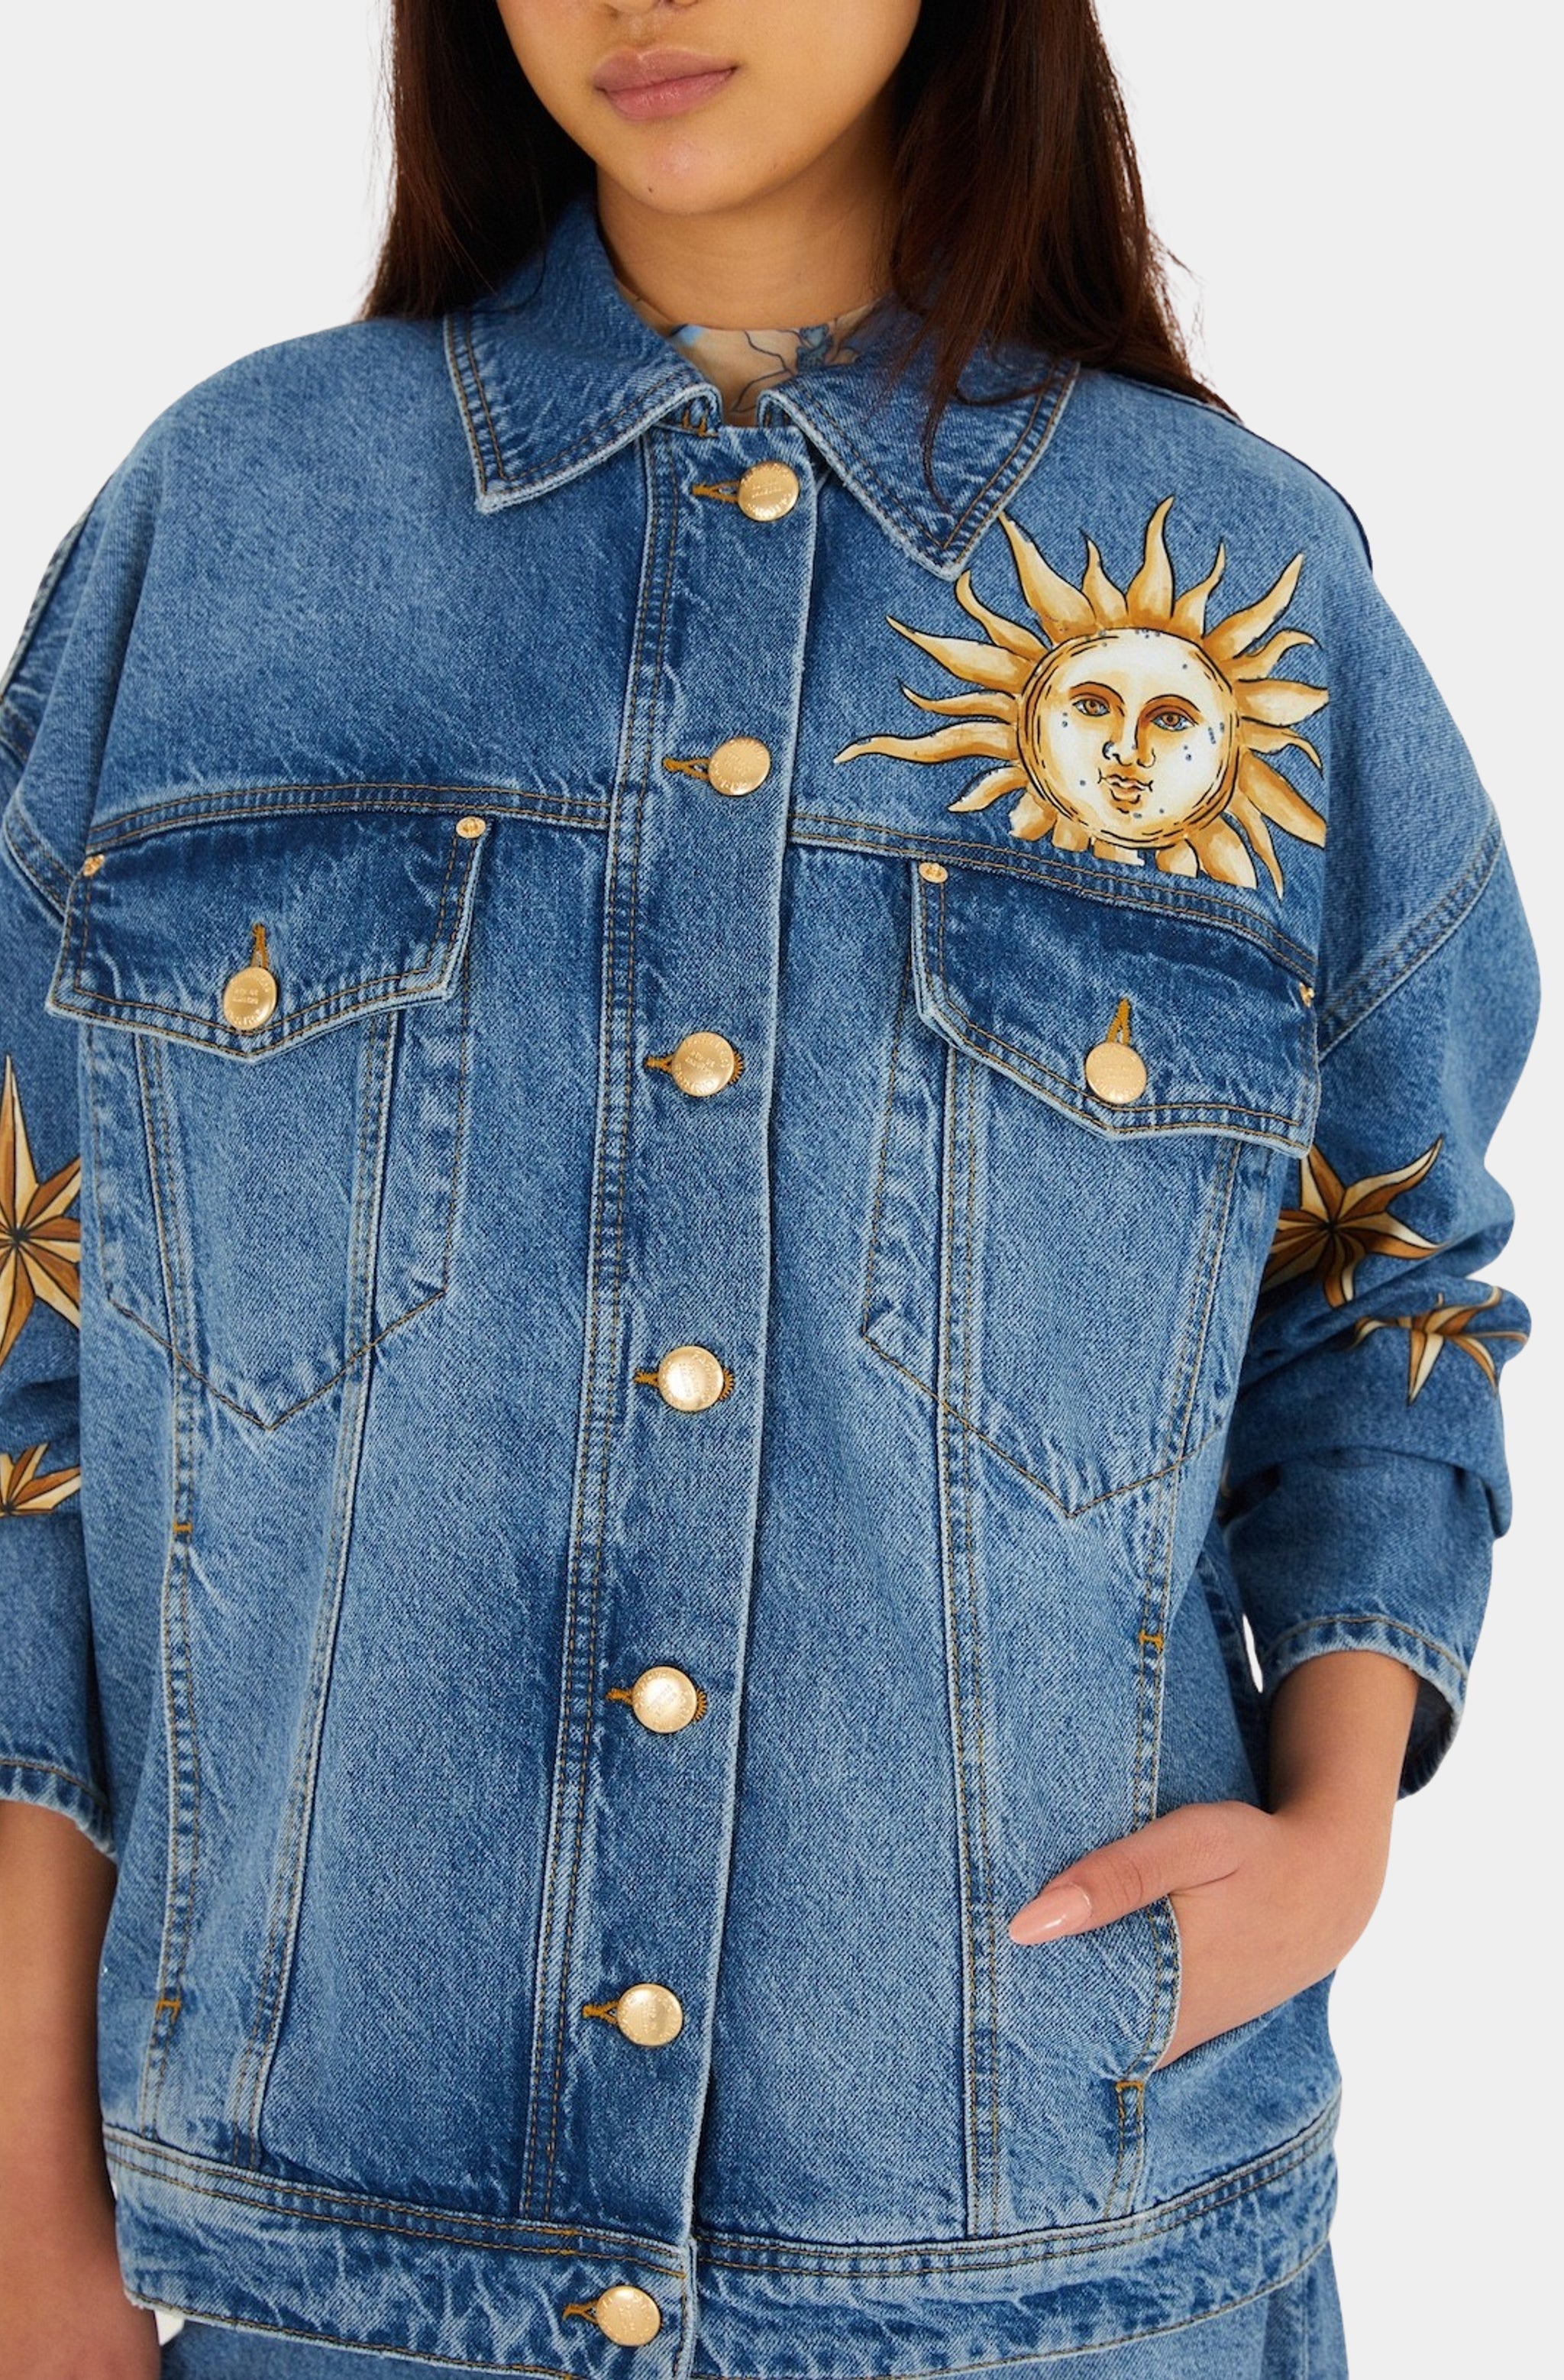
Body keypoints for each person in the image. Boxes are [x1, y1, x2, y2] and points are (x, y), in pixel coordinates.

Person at [0, 2, 1538, 2374]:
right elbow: (36, 1368)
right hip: (332, 2296)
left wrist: (1335, 1834)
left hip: (1068, 2283)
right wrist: (30, 2220)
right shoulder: (229, 533)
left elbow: (1382, 1283)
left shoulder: (1235, 585)